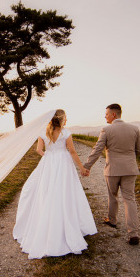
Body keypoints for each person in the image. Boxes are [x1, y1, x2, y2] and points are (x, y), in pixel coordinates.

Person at [13, 109, 97, 259]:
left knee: (46, 191)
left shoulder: (43, 132)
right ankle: (66, 226)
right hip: (63, 164)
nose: (67, 121)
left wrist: (49, 156)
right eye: (66, 118)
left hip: (48, 163)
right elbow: (72, 152)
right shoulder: (66, 133)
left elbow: (39, 150)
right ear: (62, 119)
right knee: (64, 192)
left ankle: (45, 223)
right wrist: (82, 168)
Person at [83, 104, 140, 245]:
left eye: (106, 114)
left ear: (113, 115)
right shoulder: (134, 128)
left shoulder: (106, 129)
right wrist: (129, 158)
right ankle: (133, 233)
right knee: (129, 199)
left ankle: (112, 220)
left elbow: (97, 150)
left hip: (112, 170)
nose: (105, 116)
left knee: (113, 195)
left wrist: (87, 166)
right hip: (130, 169)